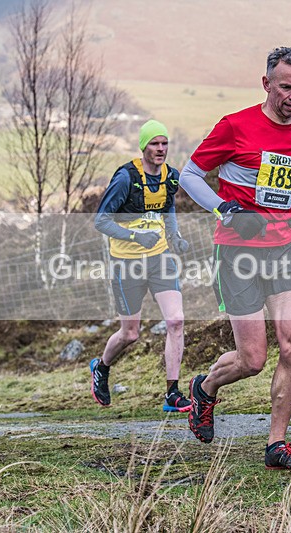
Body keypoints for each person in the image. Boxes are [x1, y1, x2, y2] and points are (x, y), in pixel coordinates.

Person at [178, 47, 291, 471]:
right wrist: (226, 209)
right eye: (286, 87)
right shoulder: (235, 126)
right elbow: (189, 175)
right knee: (252, 360)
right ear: (266, 84)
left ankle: (276, 444)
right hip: (238, 251)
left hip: (286, 248)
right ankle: (205, 388)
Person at [91, 120, 192, 412]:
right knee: (130, 334)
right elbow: (101, 221)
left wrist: (174, 237)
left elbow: (168, 206)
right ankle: (102, 367)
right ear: (143, 146)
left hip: (159, 259)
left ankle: (172, 394)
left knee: (176, 321)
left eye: (164, 143)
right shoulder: (126, 178)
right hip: (127, 263)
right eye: (154, 143)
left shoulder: (170, 176)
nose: (160, 149)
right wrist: (136, 236)